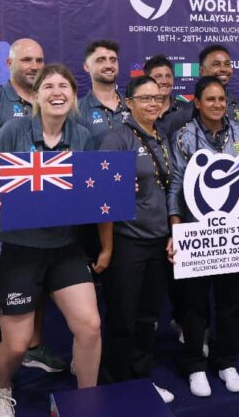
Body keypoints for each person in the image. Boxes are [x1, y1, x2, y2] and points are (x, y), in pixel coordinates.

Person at [0, 64, 101, 417]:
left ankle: (87, 401)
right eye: (49, 86)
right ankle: (2, 388)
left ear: (73, 97)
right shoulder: (14, 130)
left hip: (64, 247)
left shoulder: (82, 136)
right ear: (36, 95)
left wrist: (119, 188)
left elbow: (92, 188)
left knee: (90, 326)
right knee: (17, 345)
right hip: (18, 248)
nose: (57, 92)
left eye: (64, 86)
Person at [0, 38, 66, 385]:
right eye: (26, 59)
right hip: (6, 218)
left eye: (39, 59)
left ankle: (33, 347)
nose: (34, 66)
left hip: (49, 217)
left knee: (37, 281)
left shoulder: (53, 100)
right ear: (9, 63)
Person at [168, 76, 239, 397]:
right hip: (196, 232)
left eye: (222, 99)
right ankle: (195, 365)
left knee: (231, 300)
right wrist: (176, 224)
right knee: (193, 303)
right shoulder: (183, 136)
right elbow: (176, 183)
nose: (218, 105)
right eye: (210, 99)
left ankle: (226, 362)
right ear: (197, 103)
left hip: (234, 232)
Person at [97, 75, 174, 403]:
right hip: (128, 242)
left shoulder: (162, 136)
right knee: (122, 319)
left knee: (147, 318)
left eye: (157, 97)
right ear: (128, 103)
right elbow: (103, 197)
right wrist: (107, 248)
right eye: (145, 98)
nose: (153, 103)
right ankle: (116, 386)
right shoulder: (117, 139)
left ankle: (141, 380)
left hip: (158, 241)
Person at [77, 39, 130, 147]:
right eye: (101, 60)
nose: (109, 65)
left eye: (113, 60)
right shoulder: (77, 110)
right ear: (86, 67)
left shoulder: (132, 105)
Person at [143, 55, 187, 137]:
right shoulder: (139, 112)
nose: (165, 81)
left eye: (168, 76)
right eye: (158, 76)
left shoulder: (186, 111)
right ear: (147, 80)